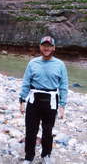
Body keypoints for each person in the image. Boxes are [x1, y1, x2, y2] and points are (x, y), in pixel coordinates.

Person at [19, 36, 69, 164]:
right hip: (34, 99)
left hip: (51, 100)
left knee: (48, 130)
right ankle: (28, 157)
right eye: (44, 45)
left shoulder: (60, 64)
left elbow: (63, 86)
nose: (46, 48)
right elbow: (26, 82)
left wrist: (62, 105)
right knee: (30, 130)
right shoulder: (32, 63)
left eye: (49, 46)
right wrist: (22, 100)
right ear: (40, 47)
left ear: (53, 48)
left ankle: (46, 154)